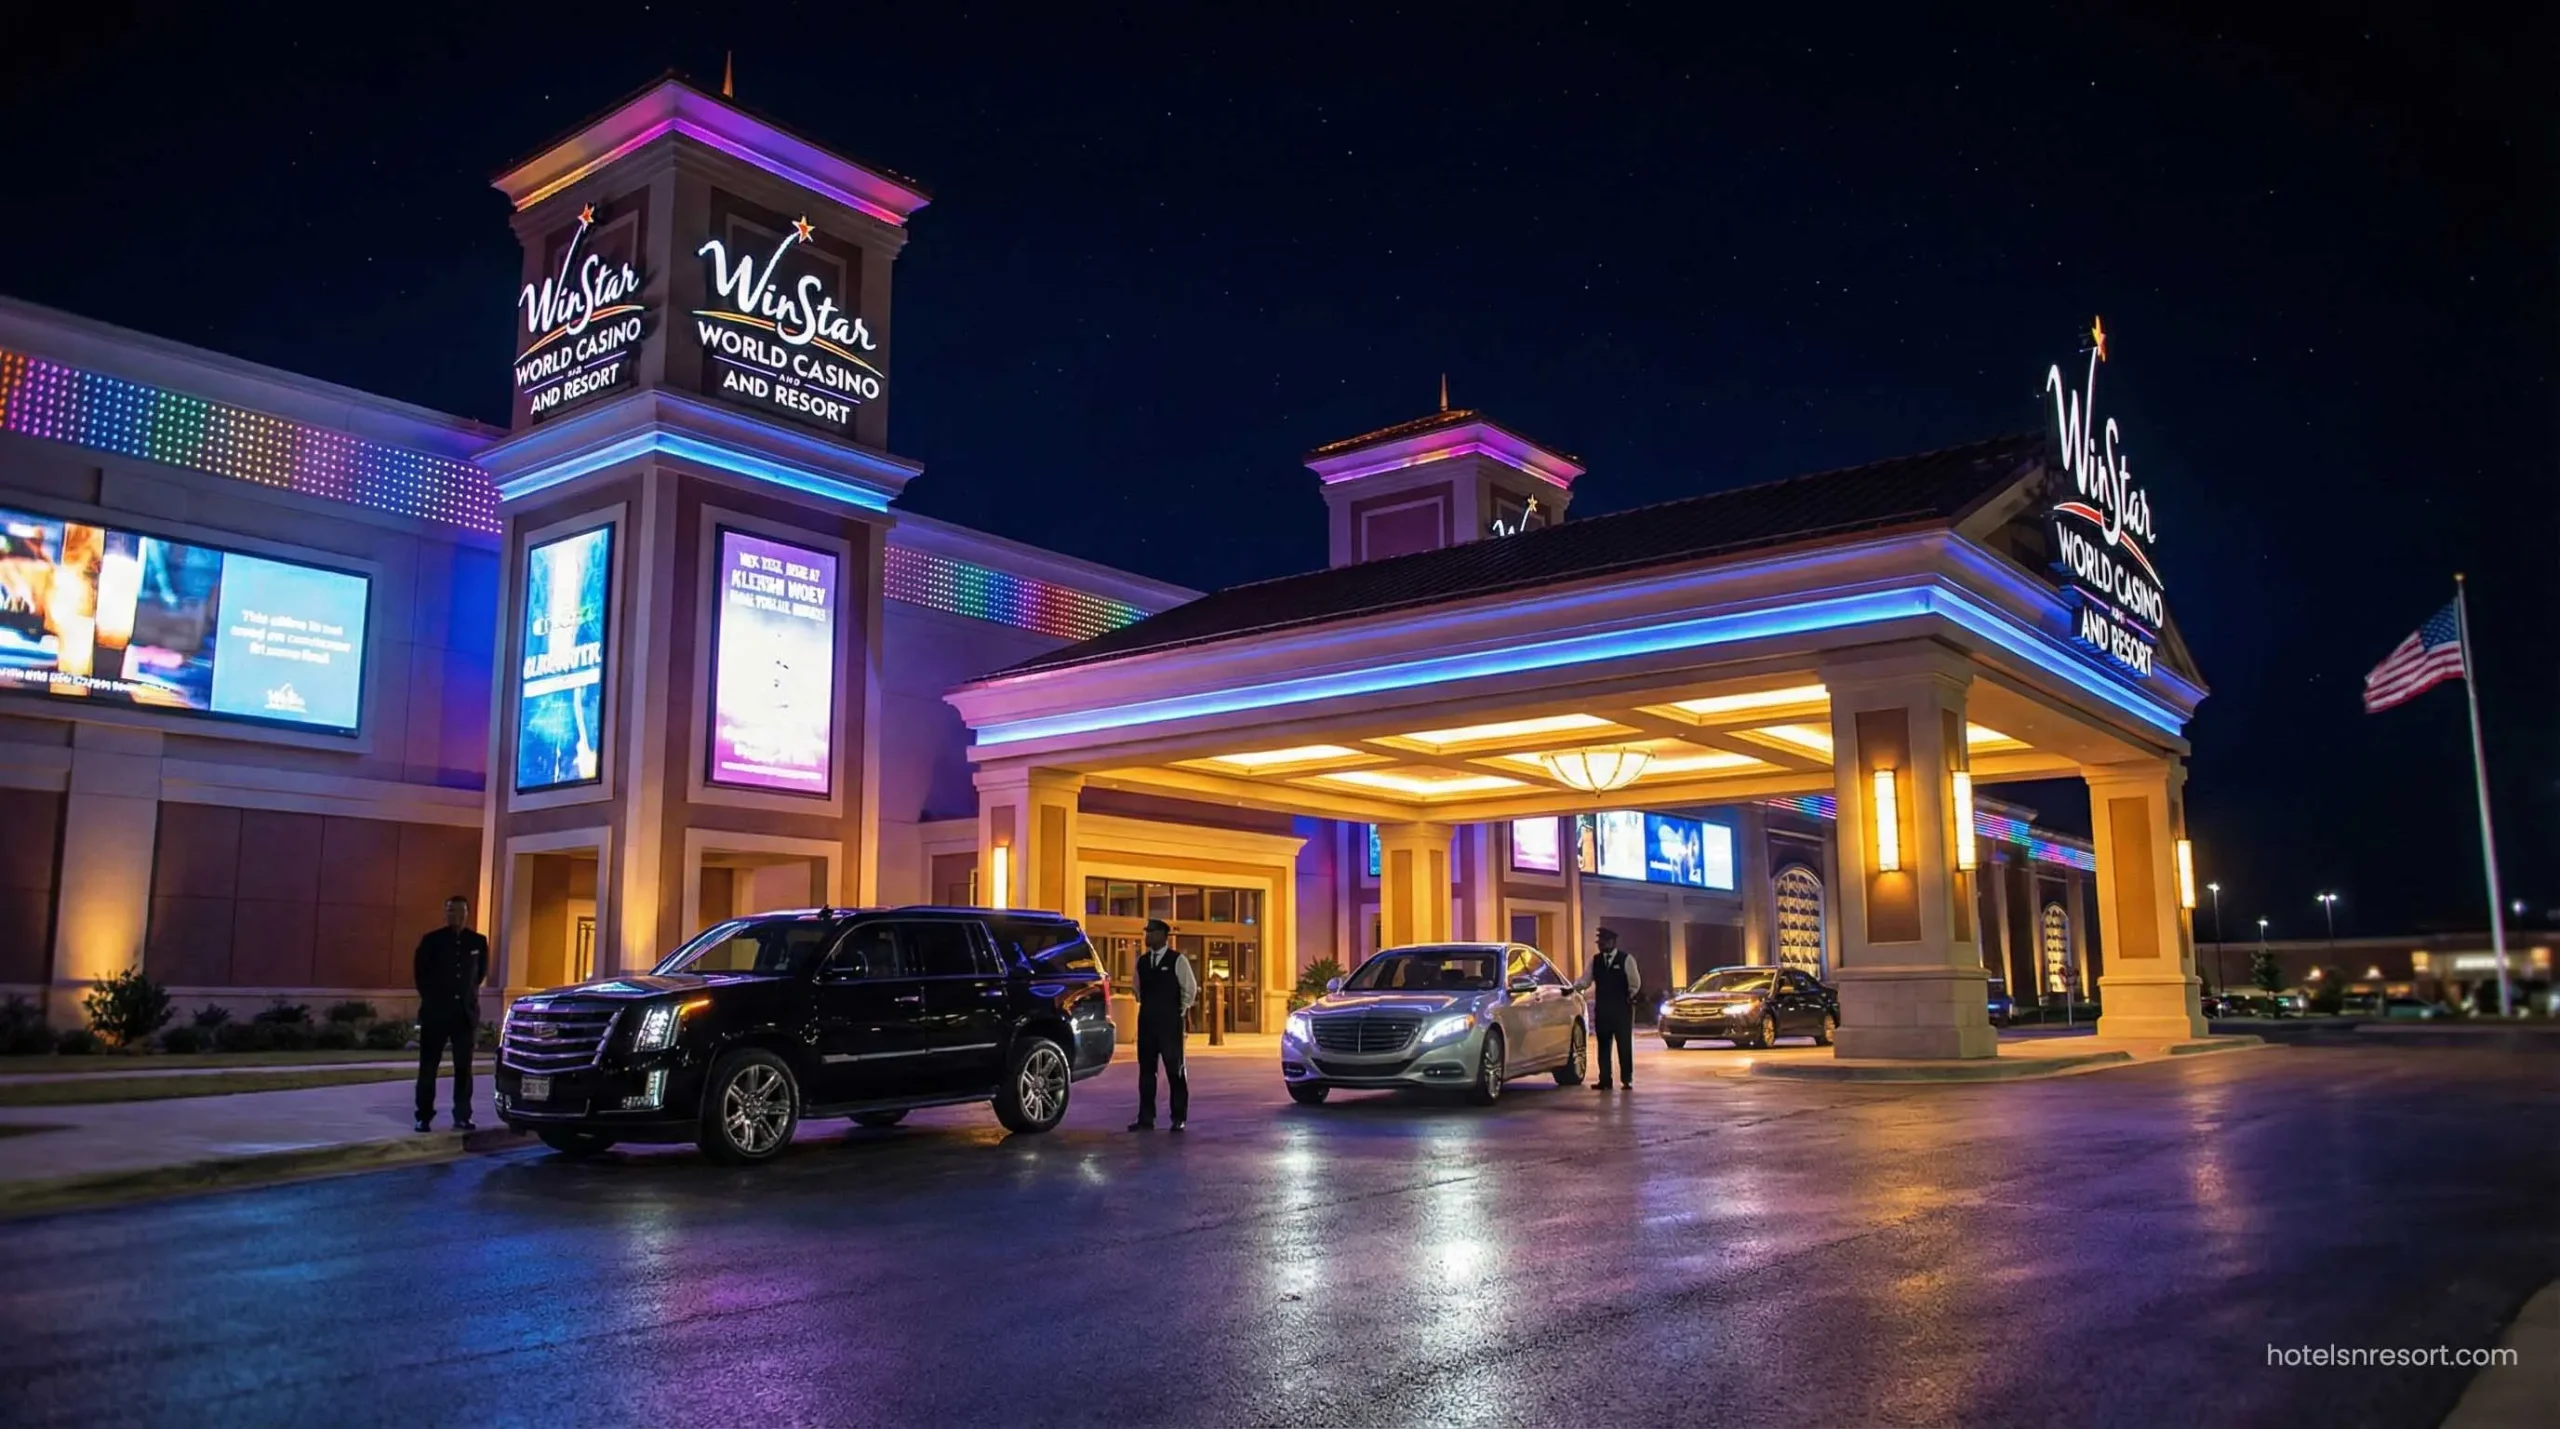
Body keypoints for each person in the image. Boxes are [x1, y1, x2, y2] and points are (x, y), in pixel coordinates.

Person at [413, 894, 490, 1133]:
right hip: (436, 1013)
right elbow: (421, 975)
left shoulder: (477, 942)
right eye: (450, 911)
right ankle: (424, 1116)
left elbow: (479, 975)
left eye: (460, 911)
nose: (455, 916)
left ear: (467, 914)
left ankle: (462, 1115)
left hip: (463, 1015)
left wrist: (466, 999)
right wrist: (435, 999)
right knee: (428, 1067)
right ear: (445, 913)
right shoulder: (431, 941)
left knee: (463, 1068)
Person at [1128, 917, 1197, 1132]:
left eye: (1151, 932)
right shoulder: (1142, 961)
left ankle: (1178, 1117)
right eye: (1146, 932)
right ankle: (1145, 1118)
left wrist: (1179, 1010)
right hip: (1147, 1022)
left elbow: (1189, 988)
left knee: (1174, 1071)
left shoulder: (1178, 960)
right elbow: (1137, 988)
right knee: (1147, 1072)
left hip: (1170, 1024)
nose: (1147, 936)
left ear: (1161, 936)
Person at [1573, 926, 1641, 1090]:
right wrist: (1573, 988)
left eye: (1604, 942)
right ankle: (1605, 1080)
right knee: (1603, 1046)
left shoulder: (1626, 959)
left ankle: (1627, 1079)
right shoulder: (1595, 961)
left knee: (1624, 1045)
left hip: (1622, 1010)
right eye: (1599, 942)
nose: (1601, 945)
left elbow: (1635, 982)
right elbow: (1585, 981)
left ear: (1612, 942)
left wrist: (1629, 996)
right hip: (1603, 1009)